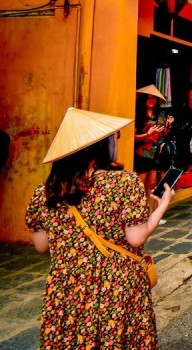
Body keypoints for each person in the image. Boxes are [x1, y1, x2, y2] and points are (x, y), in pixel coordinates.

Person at [26, 107, 172, 348]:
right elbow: (136, 238)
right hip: (115, 286)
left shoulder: (45, 192)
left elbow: (42, 245)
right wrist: (162, 206)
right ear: (101, 146)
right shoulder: (123, 182)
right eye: (114, 137)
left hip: (67, 289)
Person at [134, 85, 174, 220]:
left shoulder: (160, 115)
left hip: (156, 153)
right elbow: (132, 137)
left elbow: (164, 134)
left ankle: (152, 214)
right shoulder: (138, 115)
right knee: (140, 185)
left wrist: (168, 125)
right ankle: (140, 215)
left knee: (152, 184)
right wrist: (147, 134)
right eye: (148, 98)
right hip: (142, 153)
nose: (151, 100)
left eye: (153, 98)